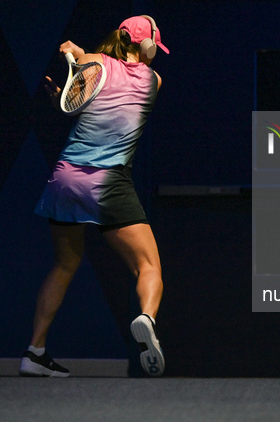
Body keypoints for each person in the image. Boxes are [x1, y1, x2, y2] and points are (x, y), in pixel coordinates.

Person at [18, 15, 169, 377]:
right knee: (147, 266)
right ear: (147, 46)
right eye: (154, 47)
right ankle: (147, 318)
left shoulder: (93, 63)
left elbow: (81, 82)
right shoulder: (154, 81)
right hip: (109, 184)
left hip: (65, 178)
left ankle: (34, 352)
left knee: (65, 263)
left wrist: (73, 51)